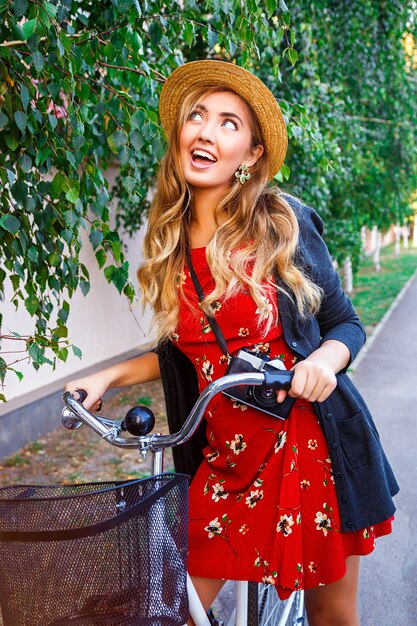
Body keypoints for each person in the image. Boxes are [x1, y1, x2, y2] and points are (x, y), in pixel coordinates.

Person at [66, 60, 399, 626]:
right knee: (177, 605)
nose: (206, 130)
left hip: (307, 447)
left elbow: (346, 324)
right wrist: (105, 377)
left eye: (228, 122)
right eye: (197, 117)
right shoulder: (172, 251)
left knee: (331, 616)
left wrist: (322, 359)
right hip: (227, 462)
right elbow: (181, 356)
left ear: (249, 154)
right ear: (179, 138)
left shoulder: (281, 224)